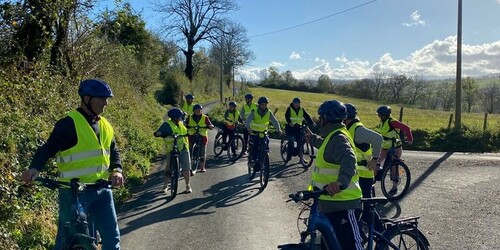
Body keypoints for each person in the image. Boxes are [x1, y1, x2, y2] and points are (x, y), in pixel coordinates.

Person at [21, 79, 123, 250]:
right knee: (66, 240)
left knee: (112, 239)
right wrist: (34, 168)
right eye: (101, 98)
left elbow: (113, 151)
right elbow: (48, 148)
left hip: (102, 190)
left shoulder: (105, 125)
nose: (105, 103)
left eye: (107, 99)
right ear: (86, 98)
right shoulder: (68, 124)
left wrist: (117, 170)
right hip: (74, 192)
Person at [305, 100, 363, 250]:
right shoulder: (333, 136)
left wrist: (340, 182)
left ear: (325, 119)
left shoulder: (339, 137)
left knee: (351, 246)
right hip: (329, 202)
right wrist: (313, 140)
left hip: (344, 204)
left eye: (320, 117)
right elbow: (327, 147)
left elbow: (349, 160)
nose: (319, 120)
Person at [344, 103, 383, 230]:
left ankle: (382, 234)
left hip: (364, 176)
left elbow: (378, 139)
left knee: (366, 211)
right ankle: (358, 233)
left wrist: (375, 159)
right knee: (356, 209)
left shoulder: (357, 129)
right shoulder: (349, 128)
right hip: (357, 175)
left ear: (346, 117)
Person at [375, 105, 413, 194]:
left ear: (384, 115)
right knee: (376, 161)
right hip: (385, 146)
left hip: (395, 147)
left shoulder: (392, 122)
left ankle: (394, 187)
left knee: (393, 167)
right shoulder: (382, 122)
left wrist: (410, 139)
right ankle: (373, 179)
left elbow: (406, 128)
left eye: (379, 114)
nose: (378, 116)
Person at [154, 107, 193, 193]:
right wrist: (159, 133)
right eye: (180, 116)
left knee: (186, 168)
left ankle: (188, 185)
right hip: (172, 149)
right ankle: (165, 186)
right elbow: (158, 132)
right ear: (175, 117)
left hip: (183, 147)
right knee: (168, 168)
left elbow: (187, 132)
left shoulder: (181, 124)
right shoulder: (167, 125)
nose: (181, 118)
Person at [245, 96, 282, 178]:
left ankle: (265, 159)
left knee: (266, 145)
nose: (264, 106)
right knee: (255, 145)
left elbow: (274, 121)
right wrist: (248, 128)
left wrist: (278, 129)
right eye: (262, 105)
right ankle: (253, 160)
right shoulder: (254, 111)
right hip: (254, 133)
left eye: (265, 105)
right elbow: (248, 120)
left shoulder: (268, 112)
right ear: (259, 105)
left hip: (263, 132)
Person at [284, 97, 316, 162]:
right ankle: (288, 156)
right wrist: (290, 122)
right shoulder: (289, 109)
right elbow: (287, 116)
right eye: (295, 103)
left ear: (299, 104)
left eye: (298, 103)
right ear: (293, 103)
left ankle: (301, 157)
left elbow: (307, 116)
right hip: (290, 128)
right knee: (291, 141)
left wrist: (312, 123)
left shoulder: (302, 109)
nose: (296, 105)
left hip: (298, 128)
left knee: (301, 142)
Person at [185, 104, 215, 172]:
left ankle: (202, 167)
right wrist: (186, 126)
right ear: (194, 111)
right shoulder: (189, 117)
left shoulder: (205, 117)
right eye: (196, 110)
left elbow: (210, 124)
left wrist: (210, 126)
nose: (198, 111)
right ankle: (187, 168)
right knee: (189, 151)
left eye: (200, 110)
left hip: (202, 136)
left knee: (202, 152)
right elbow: (185, 124)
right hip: (192, 135)